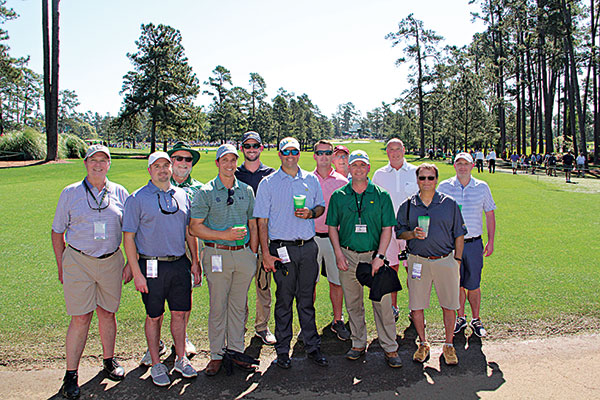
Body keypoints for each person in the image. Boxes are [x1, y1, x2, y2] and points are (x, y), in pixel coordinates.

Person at [51, 145, 130, 399]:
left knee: (108, 313)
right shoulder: (71, 192)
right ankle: (71, 375)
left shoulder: (119, 192)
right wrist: (61, 264)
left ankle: (108, 361)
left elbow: (129, 231)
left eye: (103, 160)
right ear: (85, 163)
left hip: (111, 260)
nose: (98, 164)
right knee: (81, 318)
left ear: (109, 164)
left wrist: (131, 262)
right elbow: (57, 231)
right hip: (79, 260)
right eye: (93, 160)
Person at [123, 152, 201, 387]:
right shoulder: (137, 198)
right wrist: (137, 272)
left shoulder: (182, 195)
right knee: (154, 316)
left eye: (166, 165)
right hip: (151, 264)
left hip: (178, 263)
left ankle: (180, 358)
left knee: (179, 313)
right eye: (157, 166)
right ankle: (157, 363)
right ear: (149, 170)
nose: (162, 170)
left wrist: (195, 260)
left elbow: (189, 232)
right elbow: (129, 238)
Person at [253, 137, 328, 369]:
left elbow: (321, 206)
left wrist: (311, 213)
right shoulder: (268, 183)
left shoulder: (310, 179)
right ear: (279, 154)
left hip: (307, 247)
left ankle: (312, 346)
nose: (290, 155)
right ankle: (283, 350)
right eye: (286, 151)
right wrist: (265, 253)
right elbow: (261, 222)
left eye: (294, 151)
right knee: (284, 300)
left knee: (306, 300)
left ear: (299, 153)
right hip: (281, 249)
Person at [327, 150, 402, 368]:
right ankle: (358, 343)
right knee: (353, 304)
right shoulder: (339, 196)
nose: (358, 169)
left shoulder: (381, 195)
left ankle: (390, 347)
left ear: (368, 168)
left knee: (383, 304)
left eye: (363, 165)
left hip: (374, 257)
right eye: (354, 165)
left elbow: (388, 228)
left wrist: (379, 257)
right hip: (348, 256)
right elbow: (332, 227)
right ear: (349, 168)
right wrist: (338, 253)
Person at [190, 144, 259, 376]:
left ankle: (236, 351)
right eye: (225, 160)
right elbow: (194, 228)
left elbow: (253, 224)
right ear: (217, 163)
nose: (229, 165)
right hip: (216, 253)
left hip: (243, 254)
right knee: (218, 306)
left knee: (239, 306)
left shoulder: (246, 190)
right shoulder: (206, 191)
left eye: (233, 160)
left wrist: (253, 252)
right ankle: (217, 355)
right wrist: (224, 235)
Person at [396, 163, 467, 366]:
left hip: (445, 260)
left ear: (436, 180)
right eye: (422, 178)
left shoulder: (449, 204)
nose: (426, 182)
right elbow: (399, 232)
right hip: (418, 261)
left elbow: (459, 234)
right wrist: (412, 234)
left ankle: (449, 344)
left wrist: (457, 261)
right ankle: (423, 342)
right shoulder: (408, 205)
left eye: (430, 178)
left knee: (450, 305)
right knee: (417, 306)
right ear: (417, 180)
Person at [139, 142, 202, 366]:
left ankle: (181, 341)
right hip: (156, 253)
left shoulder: (198, 189)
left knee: (182, 304)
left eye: (188, 159)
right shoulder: (150, 190)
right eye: (178, 159)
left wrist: (196, 260)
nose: (183, 163)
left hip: (186, 251)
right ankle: (154, 347)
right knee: (155, 307)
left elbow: (193, 228)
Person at [438, 152, 496, 338]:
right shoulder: (445, 186)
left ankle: (476, 319)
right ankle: (460, 317)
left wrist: (491, 240)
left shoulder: (482, 187)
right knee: (456, 284)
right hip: (451, 244)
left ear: (472, 166)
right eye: (459, 163)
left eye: (466, 163)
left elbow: (489, 213)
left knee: (473, 284)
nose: (462, 167)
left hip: (473, 243)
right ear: (454, 166)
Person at [235, 131, 276, 346]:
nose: (251, 149)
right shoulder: (234, 173)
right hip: (240, 240)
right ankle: (238, 327)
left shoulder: (270, 175)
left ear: (261, 148)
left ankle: (262, 326)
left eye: (255, 146)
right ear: (242, 148)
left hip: (264, 239)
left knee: (263, 286)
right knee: (240, 287)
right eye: (247, 146)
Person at [372, 138, 418, 321]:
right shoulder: (379, 174)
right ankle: (393, 307)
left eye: (398, 149)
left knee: (414, 270)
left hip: (411, 230)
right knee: (391, 268)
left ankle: (416, 309)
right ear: (387, 152)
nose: (395, 152)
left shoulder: (416, 172)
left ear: (404, 150)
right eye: (391, 149)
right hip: (387, 229)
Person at [312, 139, 350, 341]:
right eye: (320, 153)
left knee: (336, 282)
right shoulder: (307, 180)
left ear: (332, 156)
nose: (324, 157)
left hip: (335, 240)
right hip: (311, 239)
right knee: (310, 284)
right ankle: (308, 324)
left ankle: (338, 320)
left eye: (328, 153)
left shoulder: (343, 182)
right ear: (315, 155)